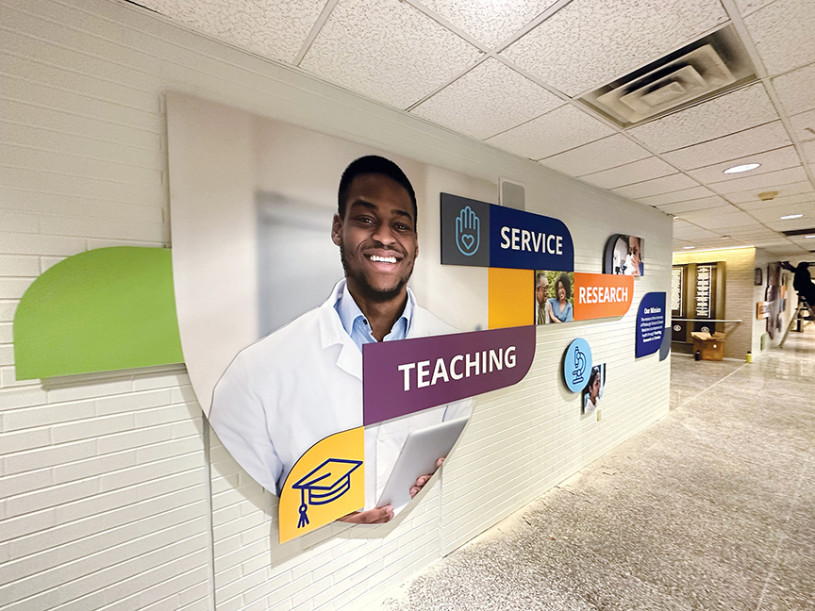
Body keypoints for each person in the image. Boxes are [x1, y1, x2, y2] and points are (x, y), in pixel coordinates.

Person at [210, 155, 470, 525]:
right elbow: (241, 503)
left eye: (401, 225)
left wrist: (441, 478)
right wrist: (316, 519)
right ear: (337, 228)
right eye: (365, 220)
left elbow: (453, 455)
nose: (384, 236)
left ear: (415, 243)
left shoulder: (453, 352)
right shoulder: (254, 372)